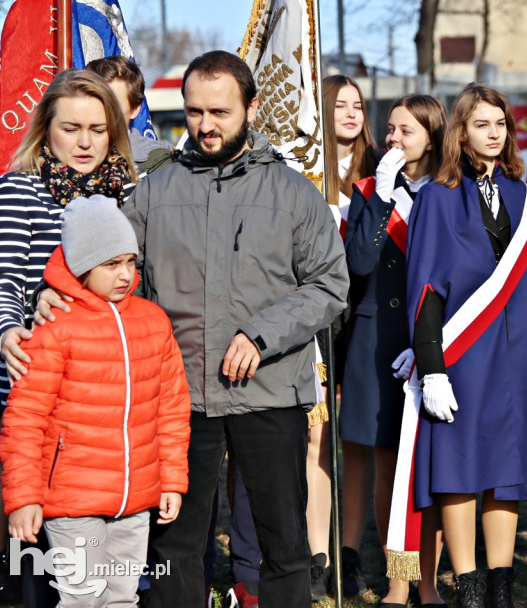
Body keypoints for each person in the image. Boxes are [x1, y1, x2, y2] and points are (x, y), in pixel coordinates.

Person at [29, 51, 350, 606]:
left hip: (269, 394)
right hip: (177, 402)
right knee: (174, 548)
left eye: (220, 112)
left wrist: (261, 335)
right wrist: (50, 296)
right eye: (195, 111)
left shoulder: (293, 193)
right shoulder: (152, 191)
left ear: (251, 108)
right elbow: (108, 274)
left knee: (284, 546)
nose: (206, 125)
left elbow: (329, 284)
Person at [405, 83, 527, 608]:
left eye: (501, 124)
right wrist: (432, 369)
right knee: (459, 471)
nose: (494, 134)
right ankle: (469, 590)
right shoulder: (437, 197)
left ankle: (502, 590)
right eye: (482, 124)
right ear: (460, 131)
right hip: (463, 360)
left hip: (519, 360)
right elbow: (426, 290)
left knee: (506, 473)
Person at [0, 195, 191, 607]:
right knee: (82, 598)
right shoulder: (54, 328)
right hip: (72, 499)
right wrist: (23, 498)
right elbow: (24, 419)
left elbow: (171, 408)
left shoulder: (152, 321)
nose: (125, 275)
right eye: (111, 264)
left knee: (123, 597)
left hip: (135, 497)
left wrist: (172, 479)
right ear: (82, 266)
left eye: (130, 262)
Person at [0, 68, 138, 608]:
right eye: (71, 128)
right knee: (36, 549)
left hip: (106, 393)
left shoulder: (130, 193)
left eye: (98, 129)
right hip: (39, 382)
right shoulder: (22, 188)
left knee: (108, 556)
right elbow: (6, 276)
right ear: (46, 129)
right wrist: (11, 324)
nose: (84, 142)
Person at [342, 94, 447, 606]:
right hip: (379, 341)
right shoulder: (370, 191)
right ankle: (397, 579)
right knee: (388, 464)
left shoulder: (453, 191)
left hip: (438, 341)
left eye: (405, 131)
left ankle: (428, 582)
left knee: (434, 465)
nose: (392, 140)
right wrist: (382, 196)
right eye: (389, 130)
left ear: (431, 135)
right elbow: (360, 262)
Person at [323, 74, 380, 598]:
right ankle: (317, 547)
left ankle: (353, 551)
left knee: (361, 445)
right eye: (339, 104)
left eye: (357, 105)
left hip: (363, 318)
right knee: (318, 441)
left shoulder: (378, 168)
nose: (350, 112)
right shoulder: (303, 171)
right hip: (319, 320)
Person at [85, 56, 176, 173]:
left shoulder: (161, 166)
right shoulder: (62, 158)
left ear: (134, 109)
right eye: (91, 100)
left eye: (112, 104)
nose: (99, 111)